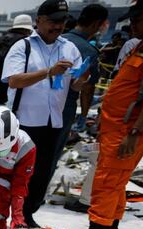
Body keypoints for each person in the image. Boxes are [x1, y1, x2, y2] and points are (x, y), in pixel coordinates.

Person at [2, 0, 90, 227]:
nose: (58, 26)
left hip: (53, 122)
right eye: (52, 21)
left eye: (62, 21)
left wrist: (81, 80)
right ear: (38, 21)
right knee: (16, 172)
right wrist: (48, 72)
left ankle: (27, 214)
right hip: (24, 122)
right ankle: (2, 213)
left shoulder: (69, 48)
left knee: (42, 173)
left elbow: (74, 85)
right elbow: (14, 80)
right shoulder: (23, 47)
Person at [70, 1, 143, 229]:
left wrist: (134, 133)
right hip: (118, 127)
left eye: (137, 20)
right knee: (116, 182)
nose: (132, 25)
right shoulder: (138, 47)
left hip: (127, 131)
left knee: (106, 182)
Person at [55, 3, 108, 214]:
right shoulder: (88, 50)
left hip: (39, 105)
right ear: (97, 24)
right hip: (65, 107)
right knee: (53, 152)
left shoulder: (60, 40)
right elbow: (86, 89)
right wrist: (83, 115)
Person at [0, 15, 35, 110]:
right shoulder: (23, 42)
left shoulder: (0, 39)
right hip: (8, 85)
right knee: (8, 118)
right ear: (27, 29)